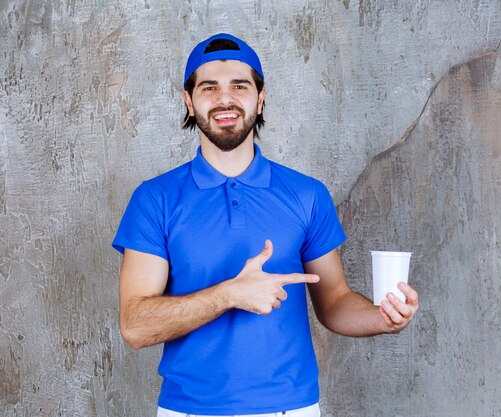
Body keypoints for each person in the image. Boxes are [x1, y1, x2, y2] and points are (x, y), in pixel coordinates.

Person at [112, 33, 419, 417]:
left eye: (239, 86)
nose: (225, 100)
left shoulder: (307, 195)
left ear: (260, 97)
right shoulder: (154, 199)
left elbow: (335, 302)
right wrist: (230, 294)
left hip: (291, 409)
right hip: (189, 411)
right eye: (209, 88)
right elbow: (136, 326)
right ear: (189, 102)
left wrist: (383, 318)